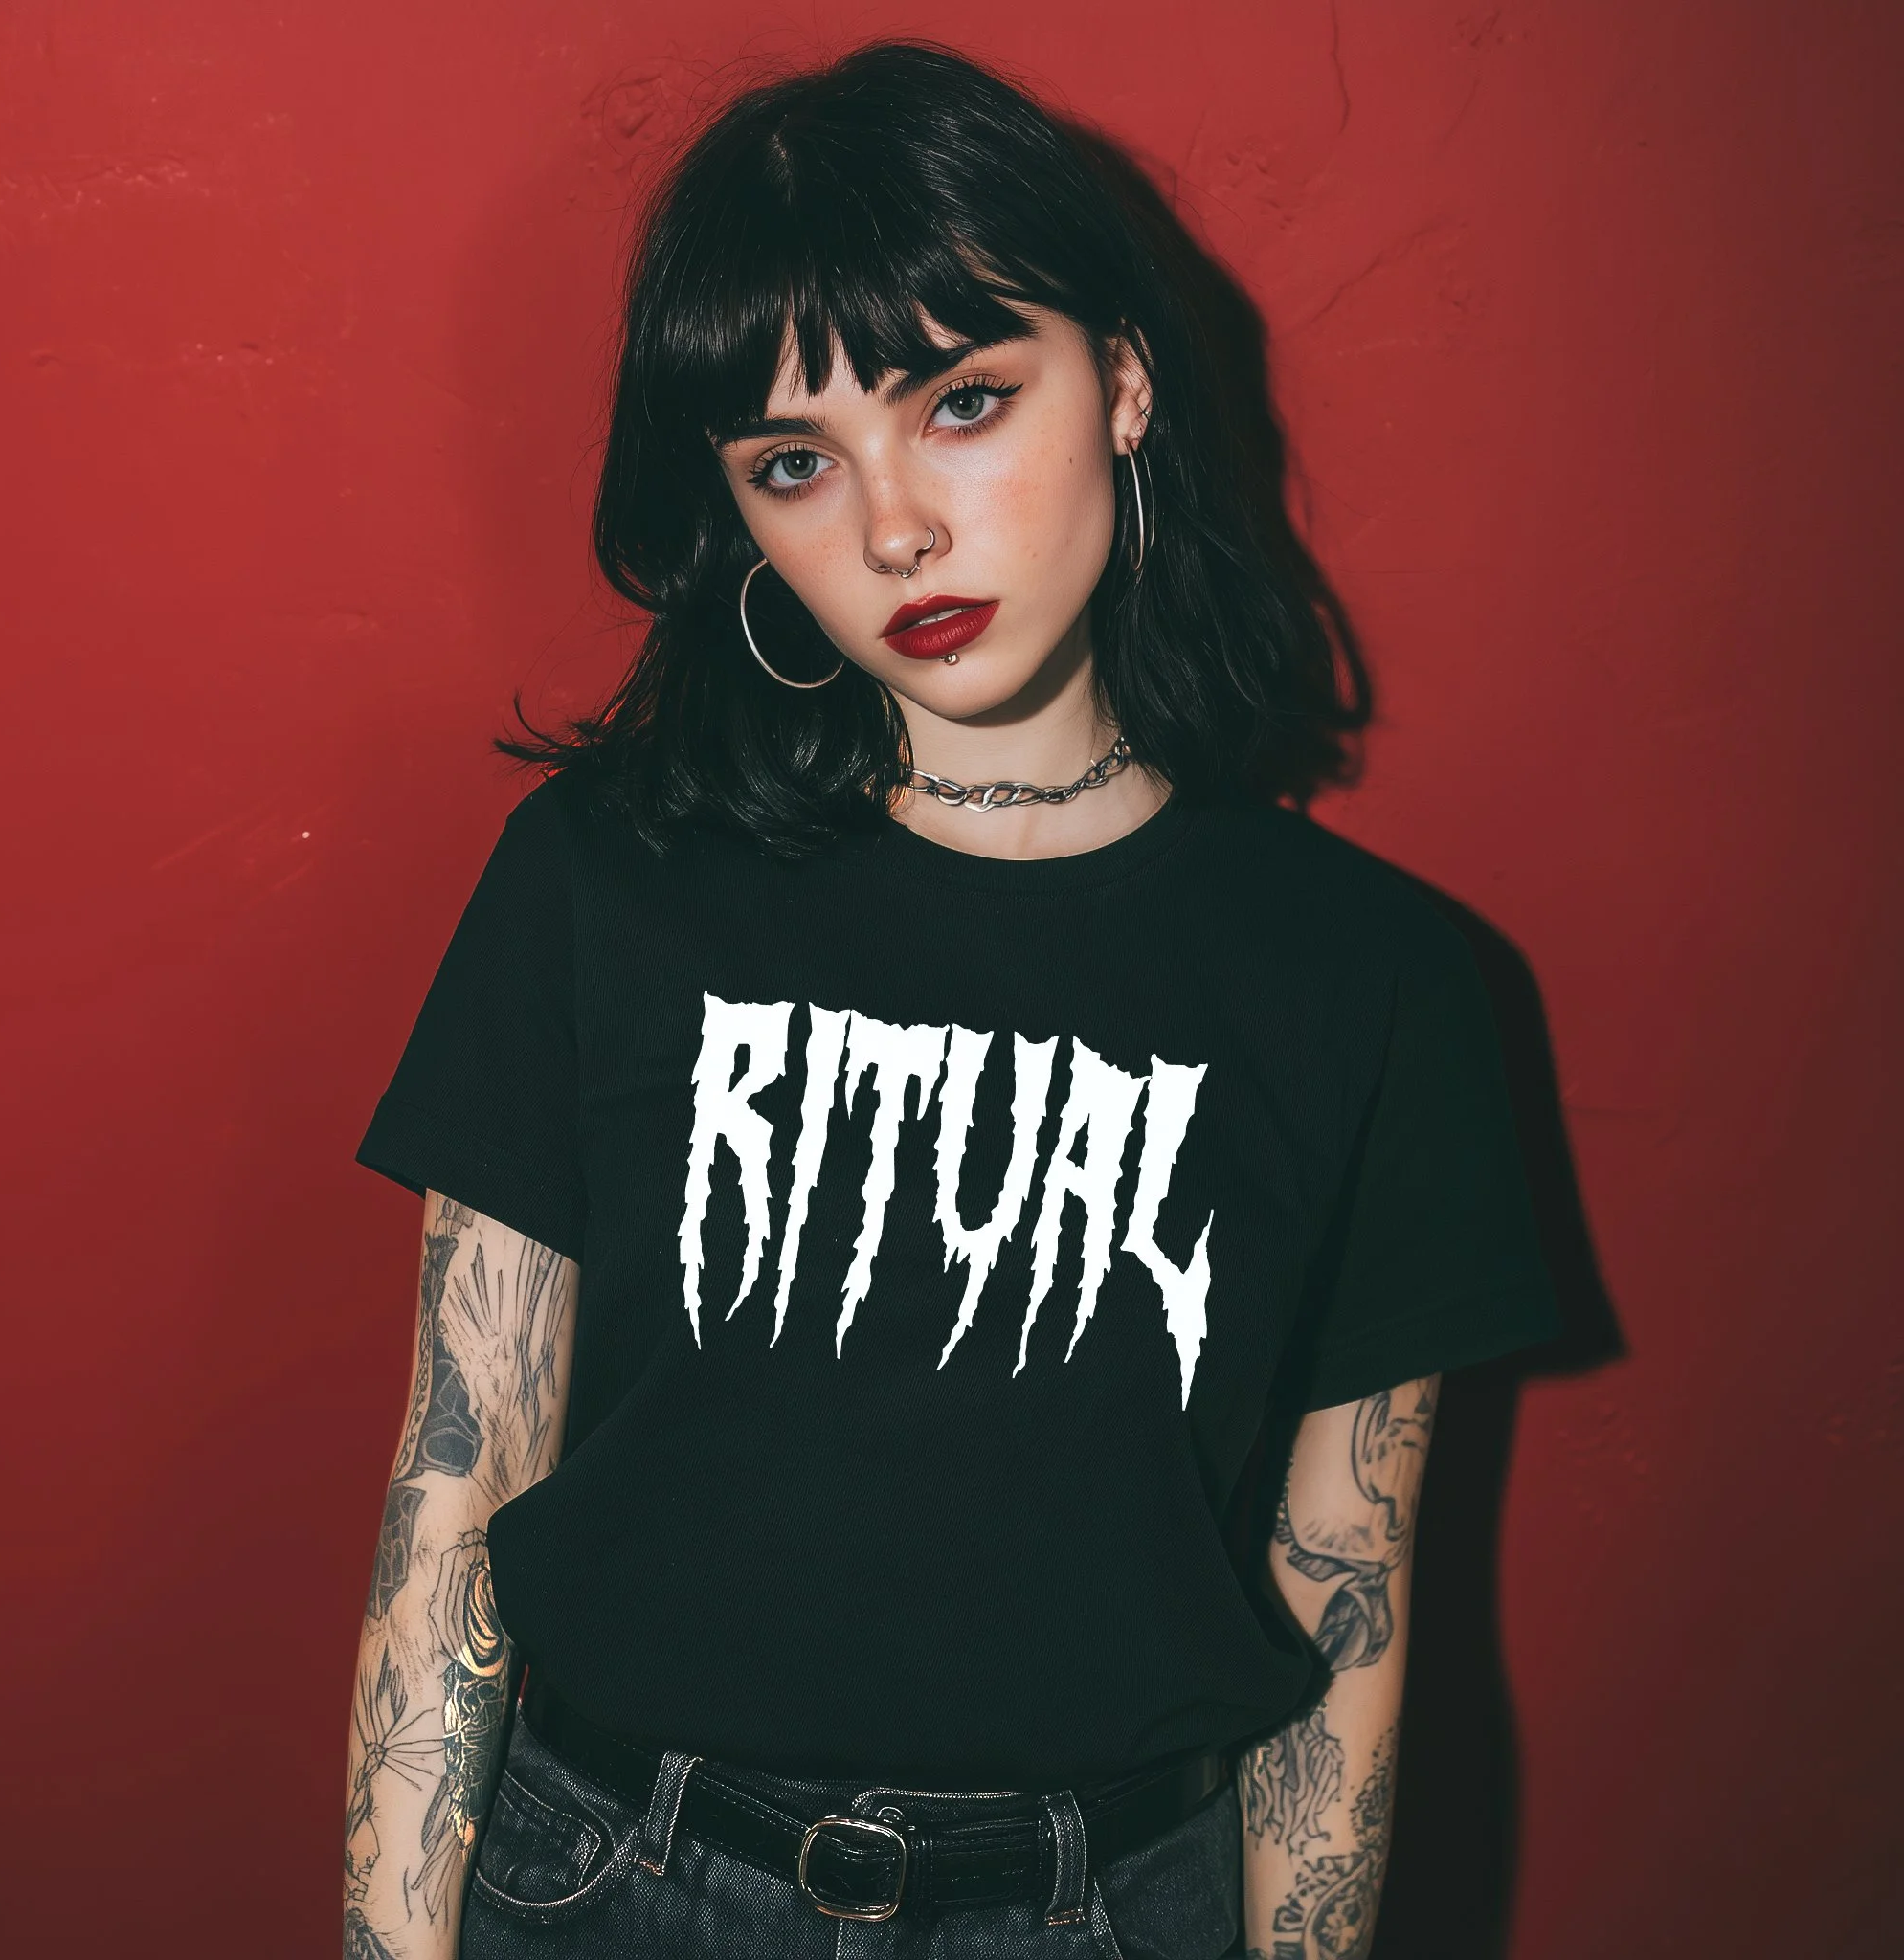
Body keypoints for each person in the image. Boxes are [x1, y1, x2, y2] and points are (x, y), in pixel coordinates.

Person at [341, 41, 1558, 1960]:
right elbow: (458, 1470)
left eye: (966, 400)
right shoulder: (603, 879)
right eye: (795, 462)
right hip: (612, 1886)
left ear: (1126, 383)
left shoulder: (1373, 980)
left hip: (1104, 1907)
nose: (894, 526)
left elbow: (1351, 1595)